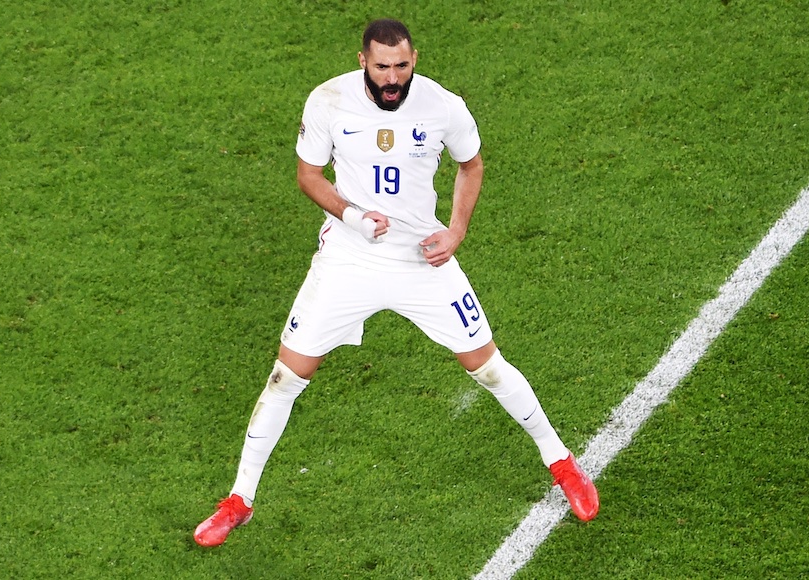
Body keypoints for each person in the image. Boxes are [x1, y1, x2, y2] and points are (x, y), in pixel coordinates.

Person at [194, 18, 599, 548]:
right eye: (382, 66)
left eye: (402, 66)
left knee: (487, 366)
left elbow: (471, 166)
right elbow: (308, 176)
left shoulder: (443, 106)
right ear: (363, 60)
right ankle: (239, 501)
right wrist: (352, 216)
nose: (392, 78)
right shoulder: (328, 100)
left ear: (414, 60)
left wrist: (456, 231)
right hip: (348, 259)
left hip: (419, 259)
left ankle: (562, 464)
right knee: (287, 376)